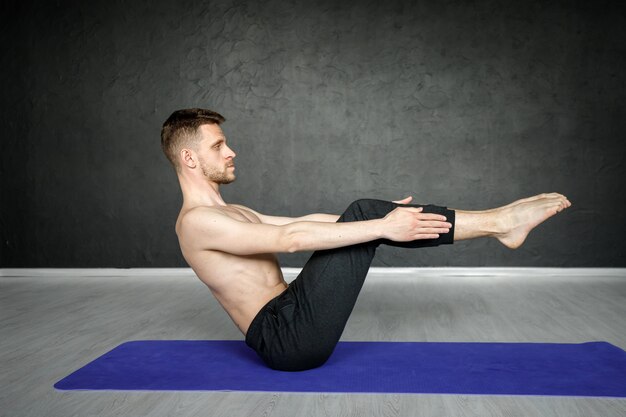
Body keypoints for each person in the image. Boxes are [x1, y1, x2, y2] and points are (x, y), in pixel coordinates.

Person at [160, 108, 571, 372]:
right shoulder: (197, 222)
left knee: (364, 213)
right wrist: (378, 225)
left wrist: (379, 216)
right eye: (218, 145)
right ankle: (501, 222)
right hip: (285, 339)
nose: (231, 151)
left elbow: (306, 220)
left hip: (291, 311)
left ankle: (501, 223)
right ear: (190, 158)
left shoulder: (231, 211)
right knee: (367, 217)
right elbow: (290, 239)